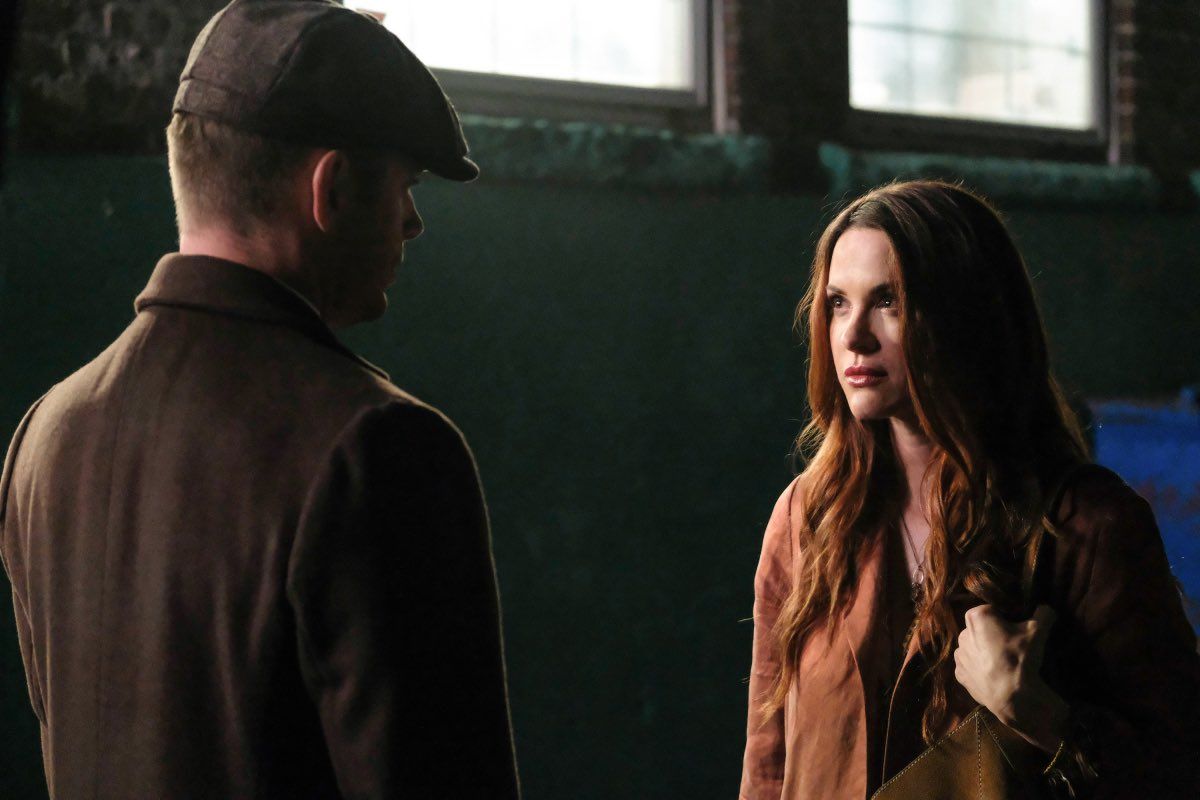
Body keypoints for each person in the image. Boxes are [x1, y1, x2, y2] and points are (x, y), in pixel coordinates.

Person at [0, 1, 520, 797]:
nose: (414, 222)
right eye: (406, 185)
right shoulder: (379, 447)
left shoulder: (46, 433)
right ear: (332, 188)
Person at [739, 180, 1200, 799]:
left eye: (889, 301)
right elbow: (767, 768)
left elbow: (1177, 770)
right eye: (838, 304)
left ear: (965, 316)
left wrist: (1042, 714)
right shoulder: (806, 517)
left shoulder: (1086, 526)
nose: (853, 336)